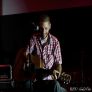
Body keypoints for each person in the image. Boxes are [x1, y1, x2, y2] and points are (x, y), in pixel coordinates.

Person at [13, 14, 67, 92]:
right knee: (26, 86)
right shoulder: (33, 38)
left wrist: (57, 73)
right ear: (38, 27)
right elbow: (25, 54)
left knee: (56, 86)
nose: (43, 32)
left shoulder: (55, 42)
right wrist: (34, 61)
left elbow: (58, 63)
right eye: (41, 29)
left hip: (49, 79)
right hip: (35, 79)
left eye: (46, 28)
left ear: (50, 26)